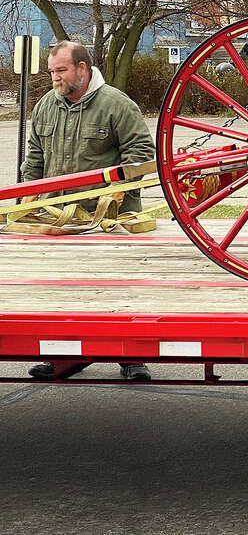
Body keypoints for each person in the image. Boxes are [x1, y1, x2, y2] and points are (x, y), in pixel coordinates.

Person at [22, 41, 156, 382]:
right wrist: (27, 200)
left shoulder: (116, 104)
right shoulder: (46, 106)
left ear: (82, 68)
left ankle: (131, 358)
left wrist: (117, 194)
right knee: (62, 293)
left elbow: (141, 152)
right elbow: (34, 157)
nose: (55, 78)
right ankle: (63, 357)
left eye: (61, 70)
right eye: (52, 71)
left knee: (118, 293)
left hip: (108, 223)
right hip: (57, 220)